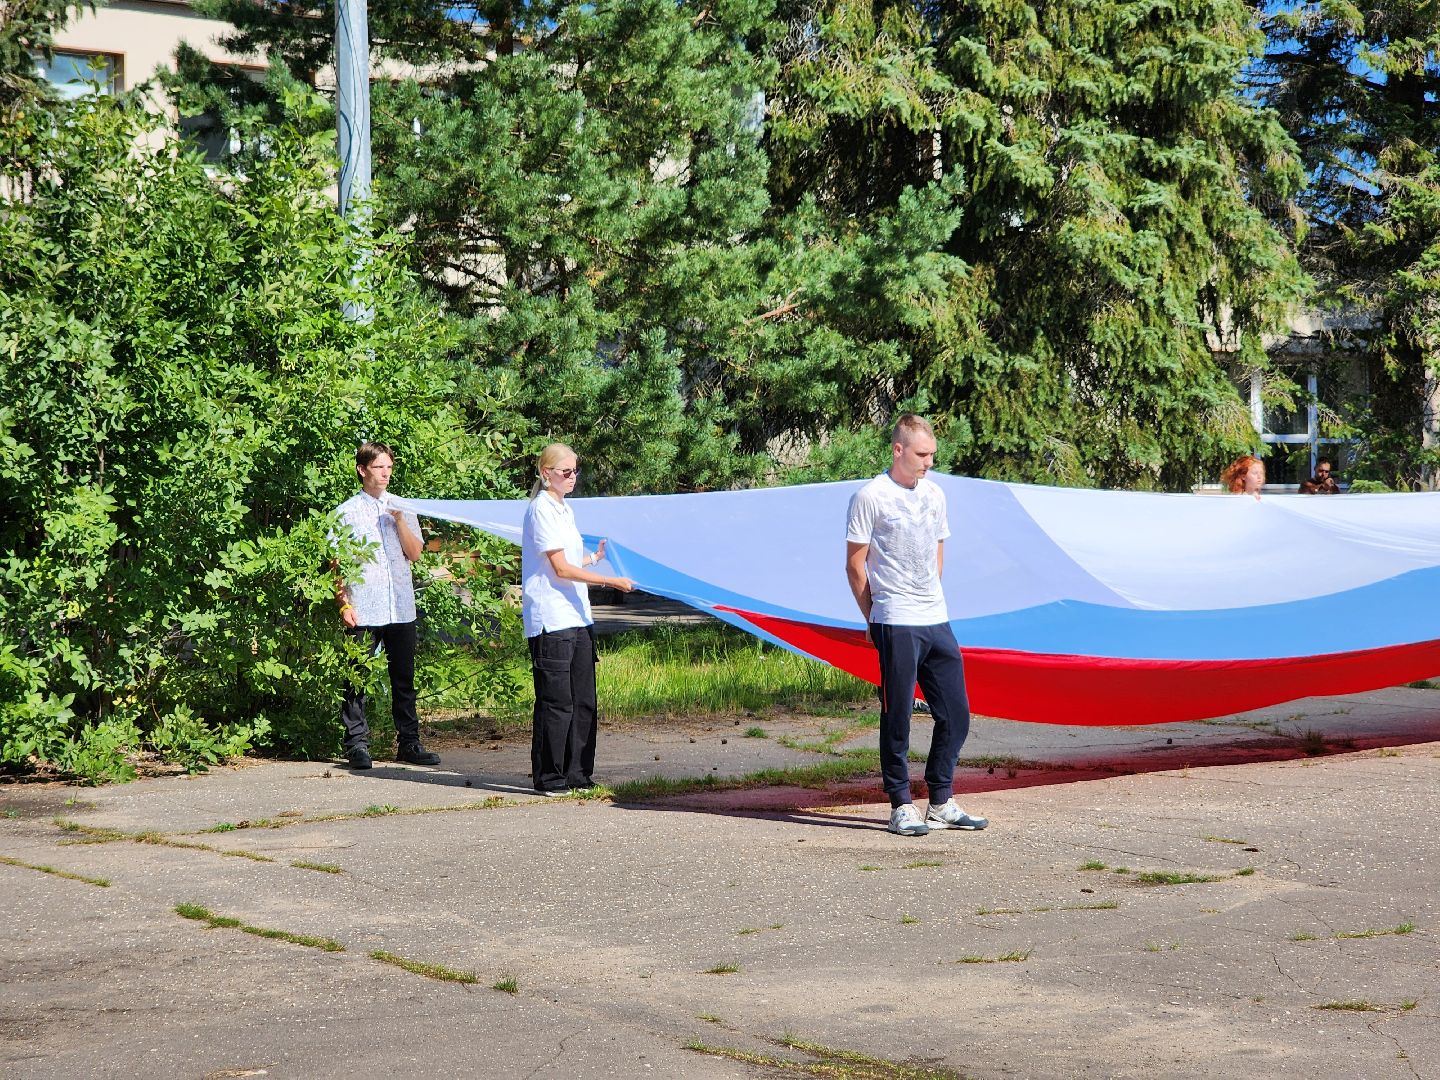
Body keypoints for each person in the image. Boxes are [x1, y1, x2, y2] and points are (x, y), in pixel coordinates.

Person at [845, 415, 988, 837]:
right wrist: (873, 616)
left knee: (956, 714)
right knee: (898, 716)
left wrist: (930, 598)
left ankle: (940, 801)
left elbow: (936, 552)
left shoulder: (935, 494)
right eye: (923, 454)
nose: (929, 462)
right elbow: (854, 565)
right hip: (895, 619)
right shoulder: (870, 496)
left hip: (935, 617)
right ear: (899, 450)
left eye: (932, 455)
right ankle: (900, 805)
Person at [522, 443, 635, 796]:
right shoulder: (540, 509)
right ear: (546, 473)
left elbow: (570, 560)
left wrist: (594, 559)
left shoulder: (565, 509)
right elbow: (559, 568)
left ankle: (578, 774)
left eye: (575, 471)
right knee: (557, 702)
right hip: (552, 618)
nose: (573, 477)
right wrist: (609, 581)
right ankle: (550, 777)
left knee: (584, 699)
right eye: (566, 471)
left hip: (578, 615)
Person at [333, 442, 441, 770]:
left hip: (401, 607)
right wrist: (344, 605)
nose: (385, 473)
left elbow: (415, 553)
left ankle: (409, 743)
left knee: (403, 678)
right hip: (364, 608)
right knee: (357, 677)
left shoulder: (402, 507)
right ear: (362, 469)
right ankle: (356, 745)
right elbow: (336, 565)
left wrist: (400, 521)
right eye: (379, 467)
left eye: (389, 467)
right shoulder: (345, 512)